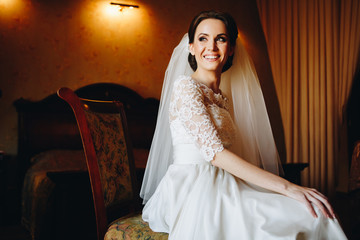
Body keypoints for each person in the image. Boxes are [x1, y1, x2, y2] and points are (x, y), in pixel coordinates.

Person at [140, 10, 347, 239]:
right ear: (191, 47)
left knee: (314, 211)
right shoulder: (186, 87)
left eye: (221, 39)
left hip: (225, 180)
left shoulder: (221, 97)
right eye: (202, 38)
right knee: (303, 215)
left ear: (231, 49)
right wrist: (288, 186)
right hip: (193, 186)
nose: (211, 47)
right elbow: (215, 154)